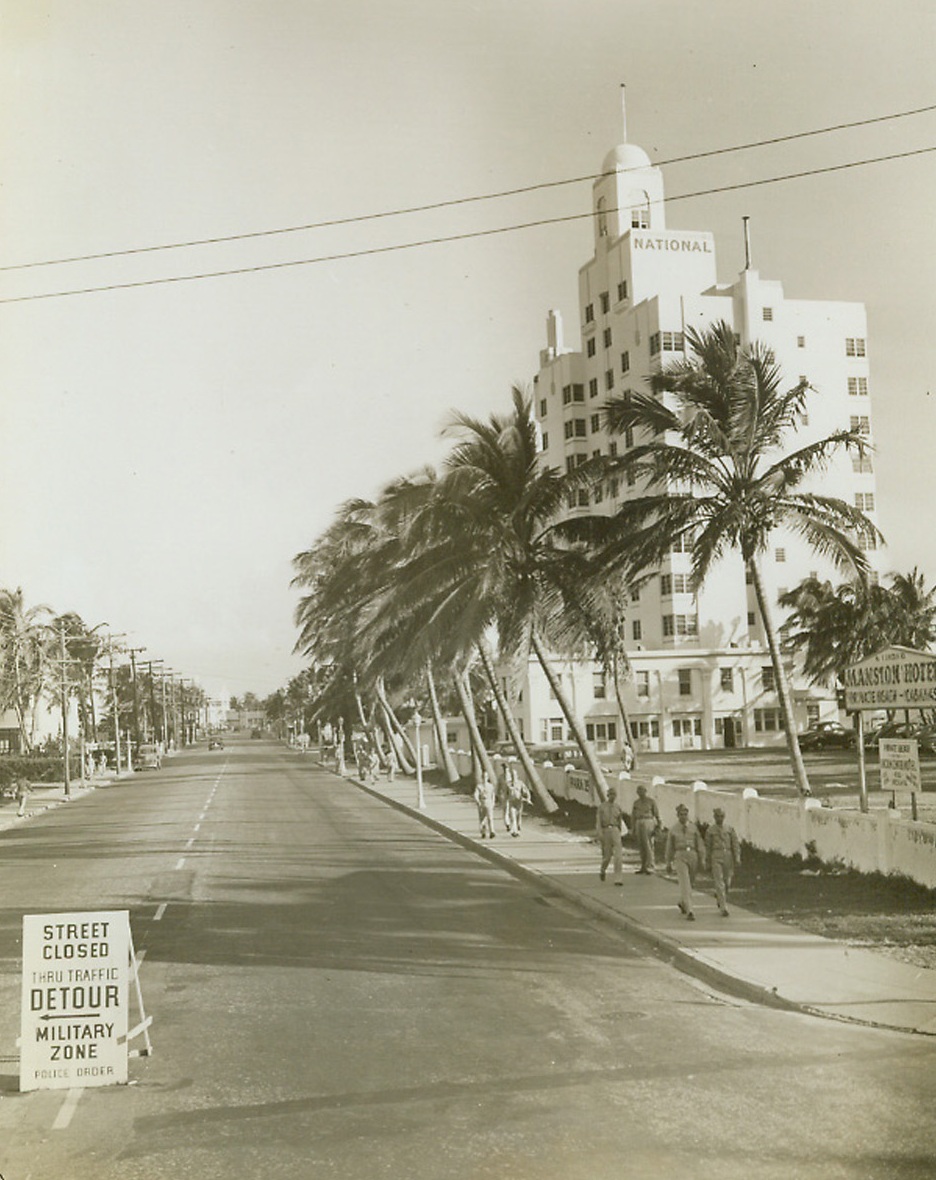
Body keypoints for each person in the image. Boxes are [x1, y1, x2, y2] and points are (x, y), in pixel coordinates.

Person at [665, 803, 705, 920]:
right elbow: (669, 847)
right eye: (681, 814)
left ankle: (683, 902)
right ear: (677, 815)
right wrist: (668, 862)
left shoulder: (693, 828)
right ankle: (690, 911)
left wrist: (702, 858)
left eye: (685, 814)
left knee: (690, 883)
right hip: (680, 855)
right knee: (685, 883)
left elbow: (700, 844)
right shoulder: (673, 829)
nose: (683, 816)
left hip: (692, 855)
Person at [705, 807, 741, 916]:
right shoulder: (710, 830)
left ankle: (720, 896)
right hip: (716, 855)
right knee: (719, 881)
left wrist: (737, 857)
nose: (719, 818)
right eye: (717, 816)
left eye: (721, 816)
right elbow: (708, 847)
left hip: (728, 855)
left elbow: (735, 844)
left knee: (727, 881)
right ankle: (723, 907)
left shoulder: (729, 829)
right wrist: (707, 861)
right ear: (714, 817)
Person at [595, 786, 626, 885]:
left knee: (618, 856)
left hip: (615, 830)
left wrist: (620, 833)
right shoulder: (602, 807)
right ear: (608, 795)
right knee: (607, 856)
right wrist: (600, 833)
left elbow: (620, 821)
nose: (612, 796)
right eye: (611, 794)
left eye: (614, 794)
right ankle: (603, 870)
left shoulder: (618, 807)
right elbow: (598, 821)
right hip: (605, 830)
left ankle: (618, 879)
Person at [630, 784, 661, 874]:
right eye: (639, 791)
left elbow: (657, 814)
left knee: (648, 844)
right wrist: (633, 828)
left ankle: (650, 866)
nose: (640, 792)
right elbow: (633, 816)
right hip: (639, 822)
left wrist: (659, 826)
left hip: (648, 821)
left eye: (642, 790)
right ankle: (643, 866)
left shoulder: (651, 801)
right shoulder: (636, 803)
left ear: (645, 791)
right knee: (641, 845)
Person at [505, 769, 532, 837]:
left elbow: (526, 792)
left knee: (518, 817)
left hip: (519, 802)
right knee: (513, 816)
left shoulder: (520, 783)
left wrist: (528, 799)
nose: (514, 777)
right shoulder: (508, 784)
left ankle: (518, 828)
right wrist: (505, 800)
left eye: (515, 775)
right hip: (511, 802)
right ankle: (514, 831)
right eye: (512, 775)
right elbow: (506, 793)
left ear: (517, 776)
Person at [474, 772, 497, 839]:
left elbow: (493, 795)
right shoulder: (479, 786)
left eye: (486, 776)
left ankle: (492, 831)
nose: (485, 778)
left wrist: (493, 802)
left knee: (490, 818)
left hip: (489, 801)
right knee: (482, 819)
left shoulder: (490, 786)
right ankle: (483, 832)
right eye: (483, 777)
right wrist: (478, 801)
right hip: (482, 802)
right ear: (482, 778)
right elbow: (476, 794)